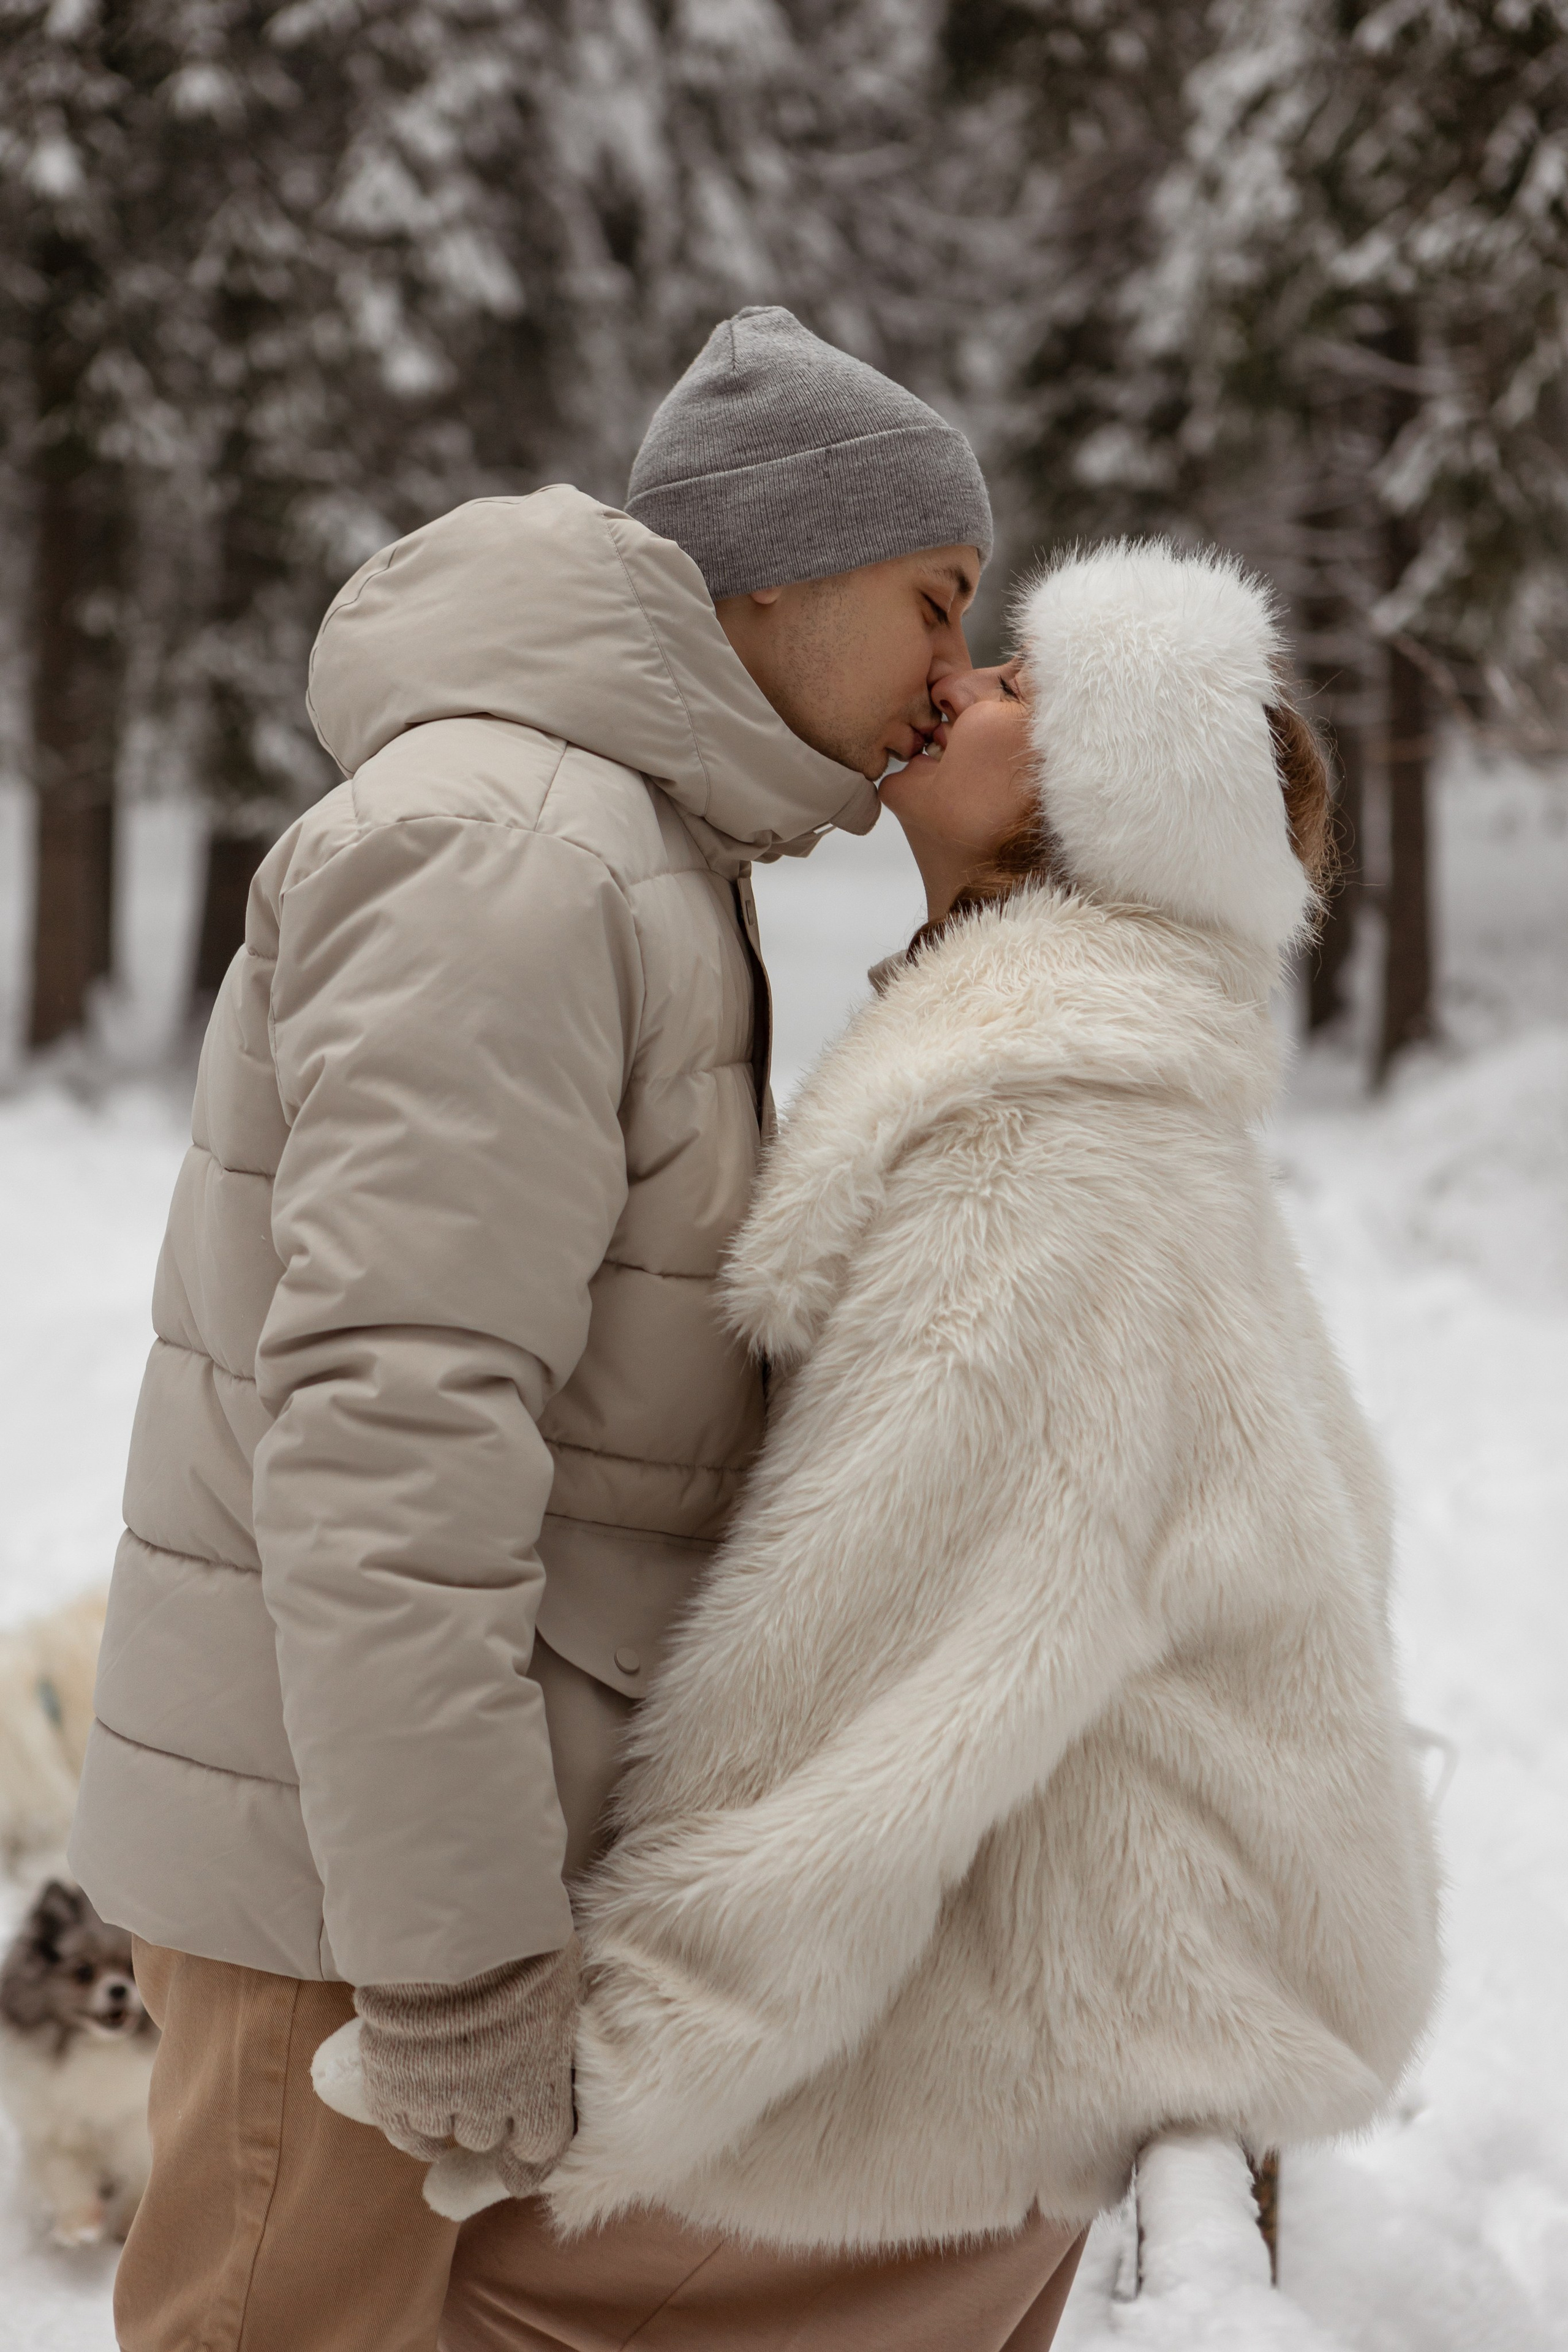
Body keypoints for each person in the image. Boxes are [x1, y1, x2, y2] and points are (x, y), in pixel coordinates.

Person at [66, 306, 997, 2350]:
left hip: (442, 1861)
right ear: (784, 568)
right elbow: (393, 1431)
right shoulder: (514, 852)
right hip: (345, 1899)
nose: (951, 674)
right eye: (937, 600)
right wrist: (455, 1964)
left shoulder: (631, 850)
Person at [536, 544, 1441, 2332]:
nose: (960, 687)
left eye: (1022, 685)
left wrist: (623, 2044)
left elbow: (885, 1657)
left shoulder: (1046, 1147)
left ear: (1111, 801)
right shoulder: (1086, 1088)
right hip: (1130, 1974)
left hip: (1058, 2030)